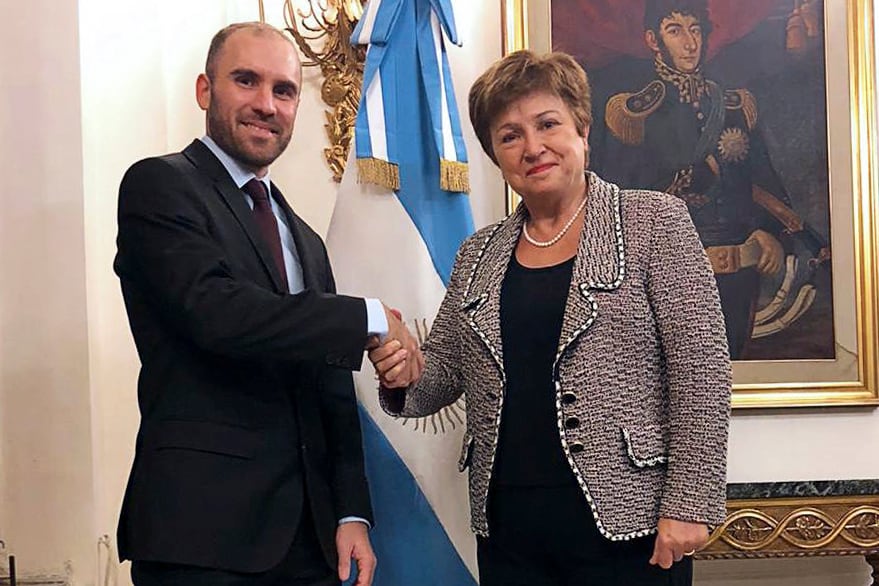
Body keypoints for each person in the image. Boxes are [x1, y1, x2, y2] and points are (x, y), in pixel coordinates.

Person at [368, 50, 732, 585]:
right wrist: (401, 367)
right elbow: (442, 376)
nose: (532, 147)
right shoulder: (478, 253)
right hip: (510, 528)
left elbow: (701, 369)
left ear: (583, 131)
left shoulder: (655, 221)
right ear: (496, 154)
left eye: (547, 124)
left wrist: (691, 502)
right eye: (510, 135)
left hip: (629, 525)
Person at [114, 22, 415, 586]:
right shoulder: (159, 186)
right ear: (205, 91)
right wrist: (370, 319)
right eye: (246, 81)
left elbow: (329, 383)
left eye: (283, 90)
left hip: (311, 542)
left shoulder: (305, 237)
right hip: (201, 537)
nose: (266, 105)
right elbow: (217, 313)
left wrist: (351, 510)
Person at [597, 0, 824, 359]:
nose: (690, 43)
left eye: (695, 29)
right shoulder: (634, 113)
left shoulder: (734, 106)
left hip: (739, 270)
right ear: (653, 41)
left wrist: (769, 233)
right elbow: (619, 201)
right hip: (668, 275)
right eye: (675, 30)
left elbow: (762, 182)